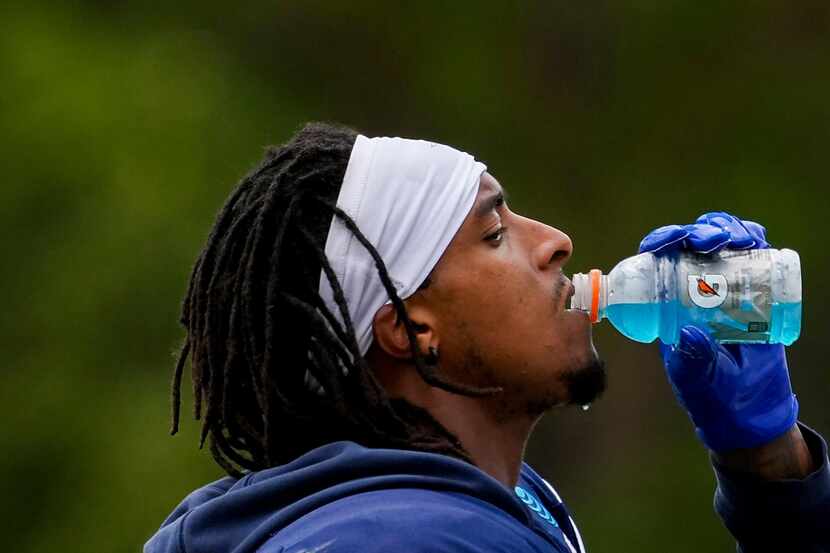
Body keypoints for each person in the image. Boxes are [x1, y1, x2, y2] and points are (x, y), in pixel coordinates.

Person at [145, 122, 829, 553]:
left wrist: (769, 469)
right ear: (412, 327)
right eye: (494, 233)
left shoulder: (467, 506)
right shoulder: (409, 539)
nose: (557, 242)